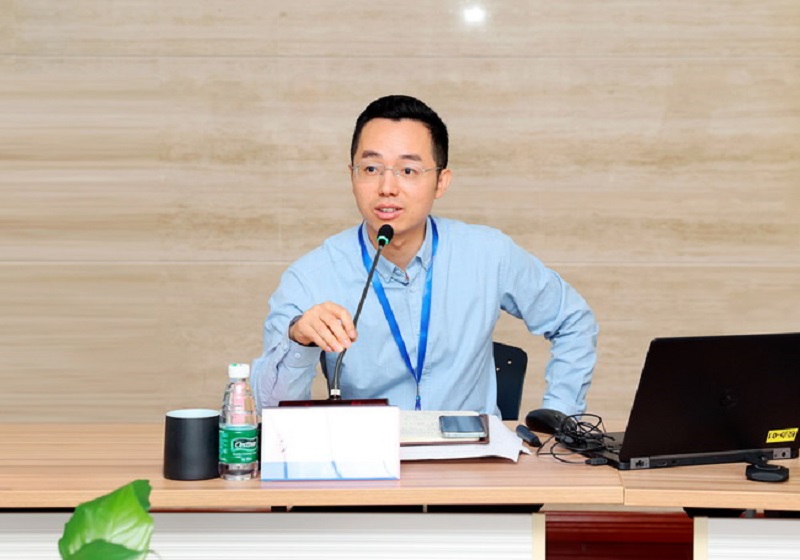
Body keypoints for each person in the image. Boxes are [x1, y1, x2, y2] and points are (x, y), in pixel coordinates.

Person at [251, 94, 598, 417]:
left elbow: (573, 321)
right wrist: (299, 340)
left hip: (473, 455)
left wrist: (560, 418)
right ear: (352, 176)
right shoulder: (311, 276)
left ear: (441, 182)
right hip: (370, 454)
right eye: (371, 169)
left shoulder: (488, 254)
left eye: (408, 171)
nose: (387, 187)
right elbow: (270, 410)